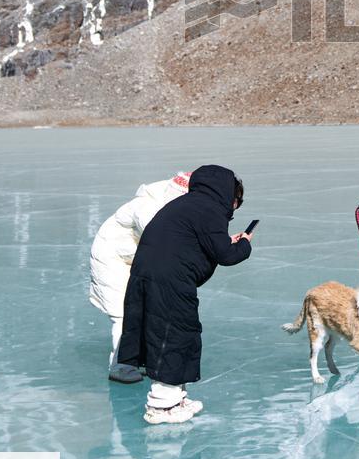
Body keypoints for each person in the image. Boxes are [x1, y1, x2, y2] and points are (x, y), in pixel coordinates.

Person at [117, 164, 253, 424]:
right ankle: (161, 407)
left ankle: (175, 398)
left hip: (150, 275)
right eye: (237, 200)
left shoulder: (189, 204)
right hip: (168, 281)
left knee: (167, 332)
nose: (235, 207)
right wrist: (245, 244)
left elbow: (200, 244)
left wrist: (225, 241)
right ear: (228, 194)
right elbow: (225, 255)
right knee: (174, 334)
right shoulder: (210, 209)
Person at [89, 171, 193, 383]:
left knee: (148, 309)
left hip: (139, 258)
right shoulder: (147, 208)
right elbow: (165, 239)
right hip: (112, 259)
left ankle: (140, 358)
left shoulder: (173, 203)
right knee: (123, 313)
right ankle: (120, 365)